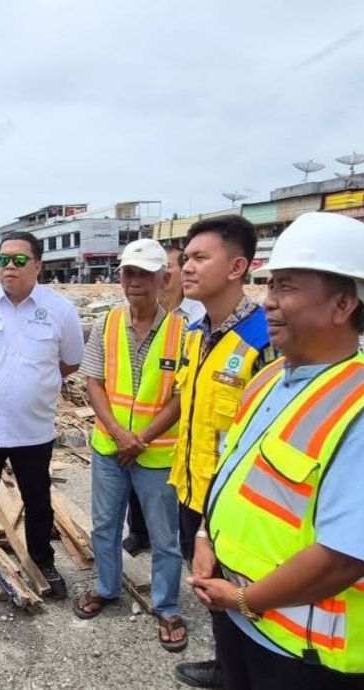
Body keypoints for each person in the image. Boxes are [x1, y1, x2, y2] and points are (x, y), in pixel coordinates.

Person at [188, 212, 364, 690]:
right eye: (270, 286)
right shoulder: (267, 381)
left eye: (287, 288)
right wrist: (205, 538)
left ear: (344, 303)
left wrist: (244, 598)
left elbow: (346, 558)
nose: (270, 303)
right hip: (242, 618)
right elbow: (234, 472)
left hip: (309, 655)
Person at [0, 230, 84, 620]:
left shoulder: (60, 311)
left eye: (19, 260)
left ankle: (43, 561)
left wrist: (32, 385)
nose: (10, 266)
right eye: (3, 259)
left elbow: (70, 362)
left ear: (38, 266)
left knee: (38, 500)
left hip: (35, 428)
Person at [170, 215, 274, 689]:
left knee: (246, 593)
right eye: (185, 257)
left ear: (236, 267)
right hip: (194, 490)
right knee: (210, 589)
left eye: (198, 257)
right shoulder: (194, 334)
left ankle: (247, 674)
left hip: (241, 503)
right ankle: (227, 666)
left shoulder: (263, 340)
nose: (185, 267)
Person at [74, 239, 188, 651]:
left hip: (155, 455)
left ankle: (168, 605)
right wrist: (120, 435)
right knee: (104, 526)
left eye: (145, 273)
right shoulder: (105, 325)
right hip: (110, 449)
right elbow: (93, 381)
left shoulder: (184, 332)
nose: (135, 281)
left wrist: (142, 438)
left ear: (165, 278)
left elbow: (182, 395)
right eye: (129, 272)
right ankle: (106, 588)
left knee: (164, 536)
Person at [123, 245, 206, 556]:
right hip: (138, 424)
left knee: (173, 490)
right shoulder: (135, 312)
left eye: (165, 268)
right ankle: (138, 533)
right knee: (134, 483)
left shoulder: (196, 319)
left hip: (178, 423)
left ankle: (178, 543)